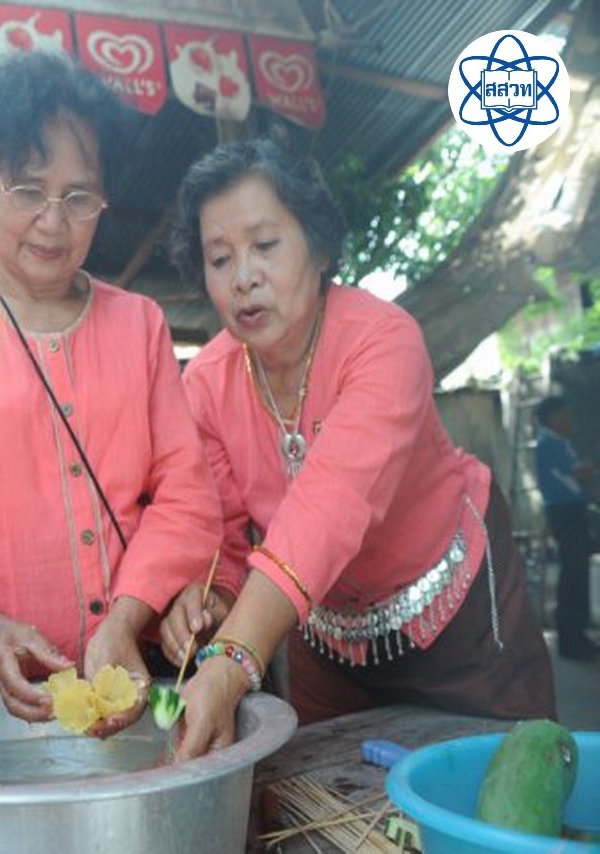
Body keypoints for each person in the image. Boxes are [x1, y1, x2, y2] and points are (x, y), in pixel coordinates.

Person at [159, 139, 556, 760]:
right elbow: (227, 542)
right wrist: (212, 600)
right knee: (325, 792)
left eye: (266, 245)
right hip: (323, 633)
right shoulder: (205, 385)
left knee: (503, 780)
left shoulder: (384, 340)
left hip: (458, 618)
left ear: (319, 249)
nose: (244, 277)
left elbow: (330, 504)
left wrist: (234, 657)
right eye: (219, 258)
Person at [0, 52, 221, 733]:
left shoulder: (141, 326)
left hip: (134, 684)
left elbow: (187, 496)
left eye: (78, 196)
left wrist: (126, 621)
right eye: (29, 190)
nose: (53, 222)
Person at [534, 395, 597, 660]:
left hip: (570, 511)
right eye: (565, 415)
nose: (570, 421)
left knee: (576, 571)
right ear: (553, 418)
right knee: (572, 574)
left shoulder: (558, 443)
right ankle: (571, 638)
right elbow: (578, 473)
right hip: (565, 512)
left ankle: (577, 633)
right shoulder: (550, 444)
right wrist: (590, 467)